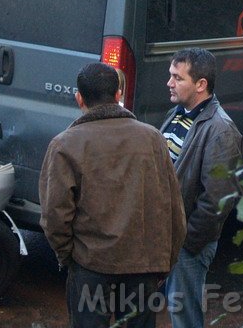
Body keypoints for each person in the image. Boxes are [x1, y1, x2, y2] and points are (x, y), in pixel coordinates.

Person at [39, 62, 185, 328]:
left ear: (79, 98)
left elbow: (54, 216)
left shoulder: (65, 144)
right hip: (143, 267)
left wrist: (69, 258)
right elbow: (173, 208)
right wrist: (164, 261)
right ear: (118, 95)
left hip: (90, 266)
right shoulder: (152, 138)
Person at [162, 48, 243, 328]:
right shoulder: (178, 113)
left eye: (177, 77)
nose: (169, 83)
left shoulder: (221, 131)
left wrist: (186, 242)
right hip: (169, 237)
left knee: (184, 315)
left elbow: (218, 199)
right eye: (170, 75)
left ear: (201, 85)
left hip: (187, 243)